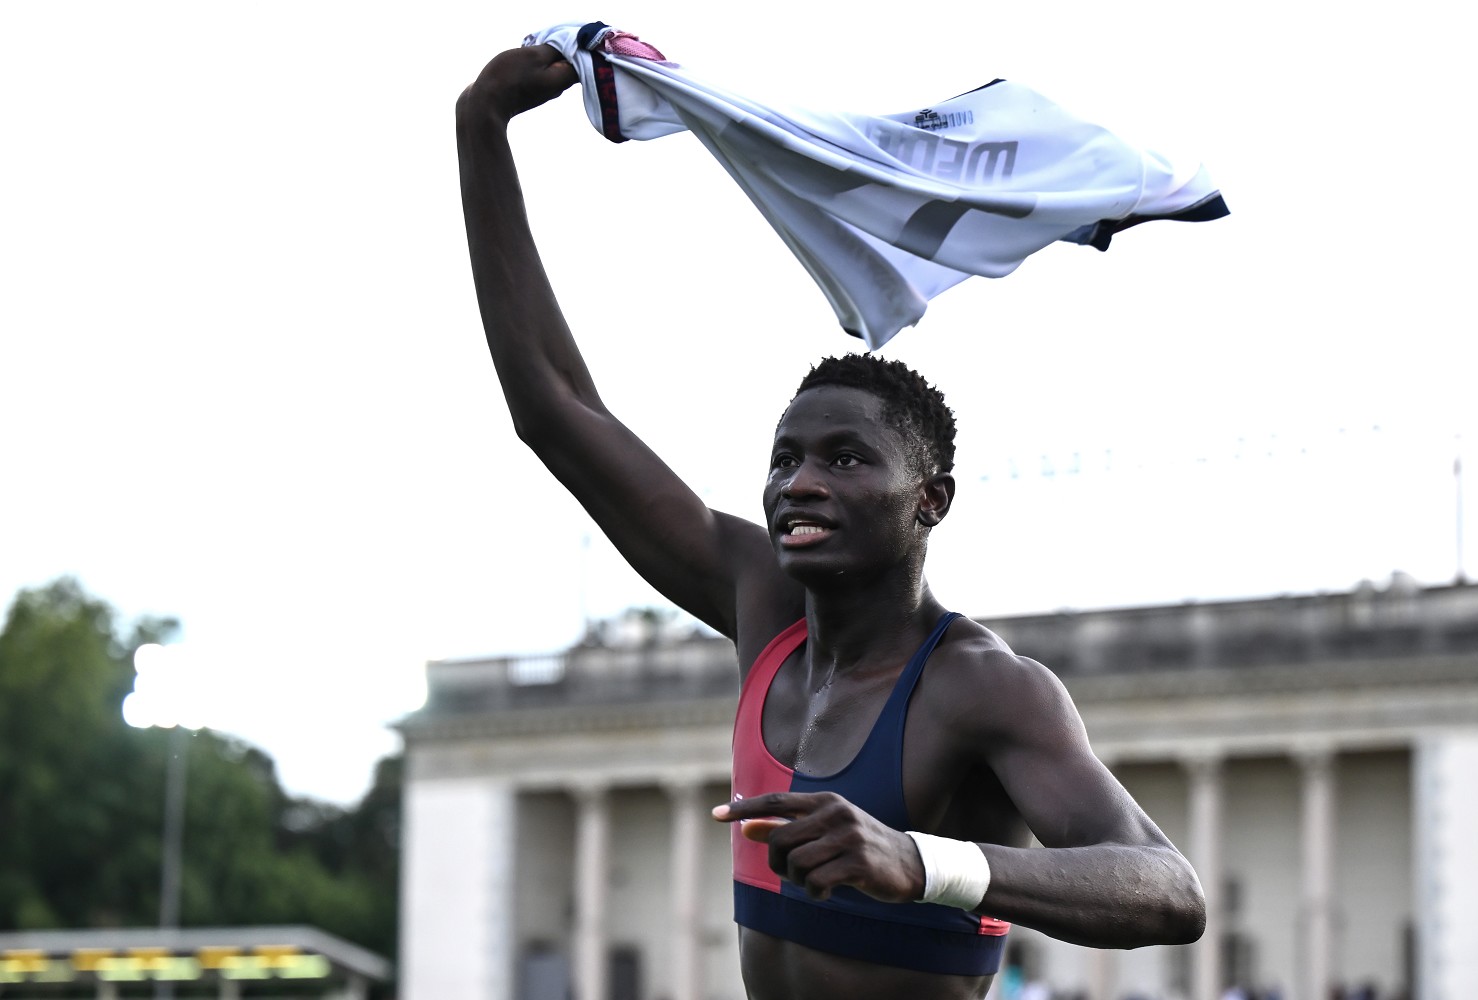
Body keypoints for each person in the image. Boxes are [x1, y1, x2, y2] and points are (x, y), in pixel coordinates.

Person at [456, 43, 1206, 1000]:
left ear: (931, 499)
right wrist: (479, 129)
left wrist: (922, 862)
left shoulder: (982, 687)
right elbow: (556, 409)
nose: (798, 484)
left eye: (846, 459)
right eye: (785, 460)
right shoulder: (760, 598)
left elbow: (1169, 891)